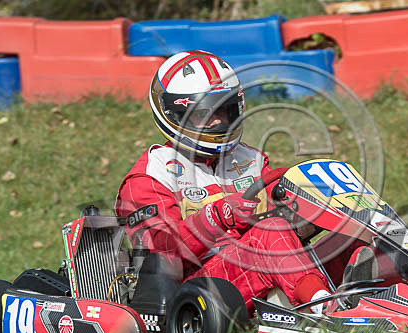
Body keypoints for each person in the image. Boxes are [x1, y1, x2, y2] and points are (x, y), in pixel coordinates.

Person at [116, 50, 359, 314]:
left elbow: (281, 224)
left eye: (223, 109)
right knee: (272, 230)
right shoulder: (150, 177)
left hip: (261, 265)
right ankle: (325, 309)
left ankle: (378, 294)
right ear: (174, 115)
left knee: (351, 235)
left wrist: (310, 209)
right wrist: (216, 218)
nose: (217, 121)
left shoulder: (250, 160)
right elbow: (161, 252)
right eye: (203, 114)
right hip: (196, 289)